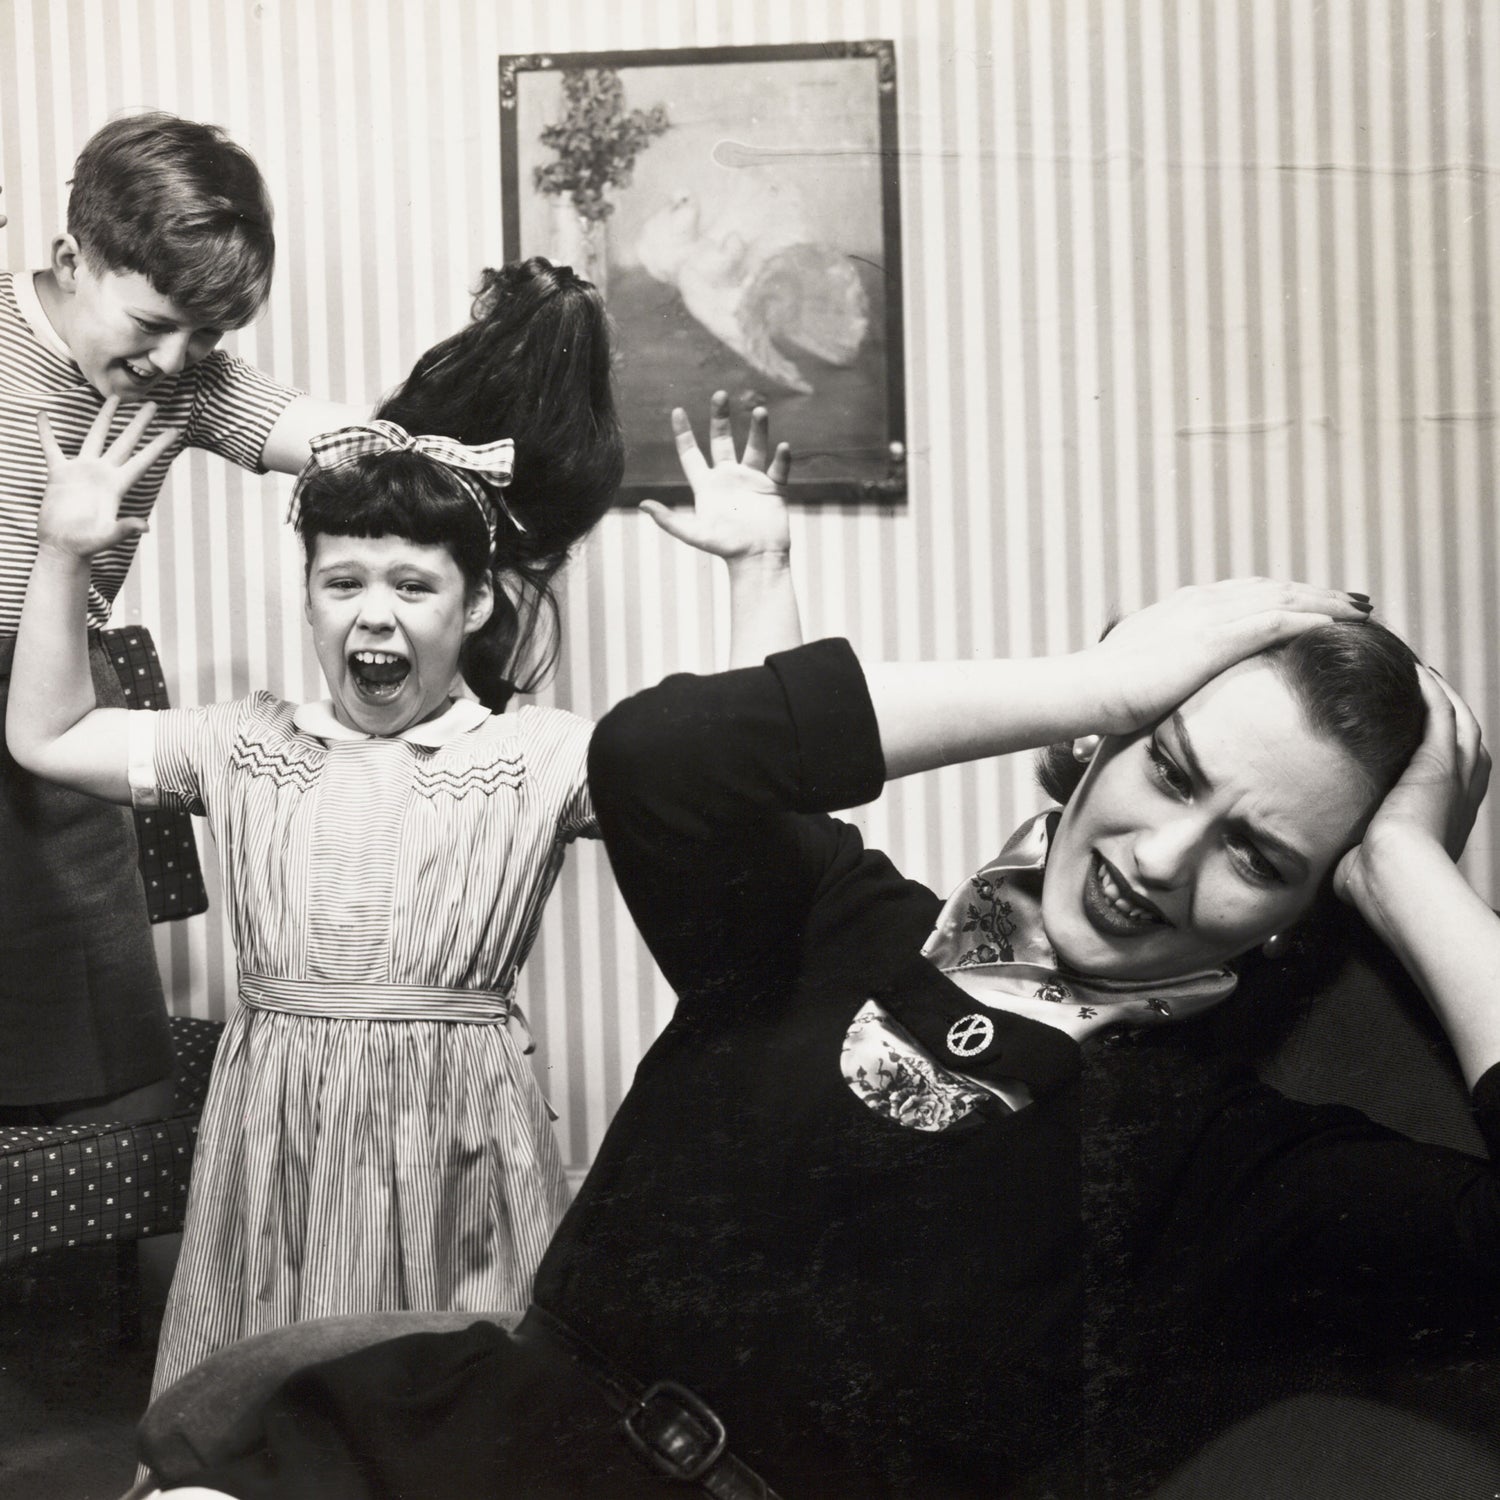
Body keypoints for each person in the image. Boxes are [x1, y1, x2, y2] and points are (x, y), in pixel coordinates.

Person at [131, 413, 1497, 1500]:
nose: (1158, 861)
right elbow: (661, 756)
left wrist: (1416, 873)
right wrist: (1098, 683)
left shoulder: (1241, 1171)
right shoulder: (836, 923)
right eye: (1169, 769)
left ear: (1304, 912)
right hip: (457, 1449)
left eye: (1258, 856)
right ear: (1094, 746)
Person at [6, 364, 796, 1415]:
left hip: (462, 1150)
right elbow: (47, 735)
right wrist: (64, 556)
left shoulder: (541, 757)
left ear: (476, 604)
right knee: (260, 1425)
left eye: (413, 587)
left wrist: (759, 568)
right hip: (273, 1145)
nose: (374, 616)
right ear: (311, 601)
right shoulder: (244, 745)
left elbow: (750, 778)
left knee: (459, 1430)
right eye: (343, 584)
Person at [0, 111, 360, 1126]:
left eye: (203, 337)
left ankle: (119, 1283)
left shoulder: (190, 382)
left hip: (59, 702)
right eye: (154, 326)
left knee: (108, 1049)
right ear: (72, 258)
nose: (176, 358)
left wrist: (426, 443)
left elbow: (327, 435)